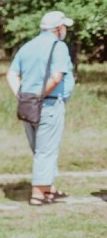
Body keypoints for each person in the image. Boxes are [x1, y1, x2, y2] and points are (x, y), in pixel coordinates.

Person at [6, 11, 75, 206]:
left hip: (27, 105)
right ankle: (38, 193)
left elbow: (11, 74)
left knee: (39, 147)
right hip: (48, 103)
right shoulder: (58, 47)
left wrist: (22, 95)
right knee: (46, 149)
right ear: (58, 28)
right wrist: (39, 96)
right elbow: (56, 77)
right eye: (64, 27)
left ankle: (49, 188)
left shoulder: (28, 46)